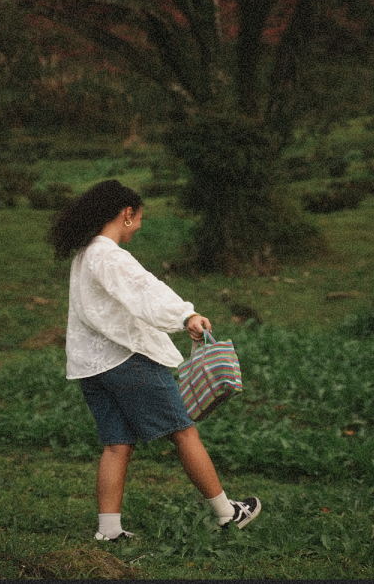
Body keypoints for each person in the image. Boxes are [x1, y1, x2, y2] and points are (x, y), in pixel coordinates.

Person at [48, 179, 260, 541]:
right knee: (183, 430)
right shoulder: (109, 254)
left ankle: (109, 531)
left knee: (117, 443)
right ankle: (229, 514)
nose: (140, 225)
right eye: (140, 217)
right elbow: (145, 290)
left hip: (91, 367)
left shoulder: (85, 255)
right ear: (127, 214)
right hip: (127, 360)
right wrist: (185, 316)